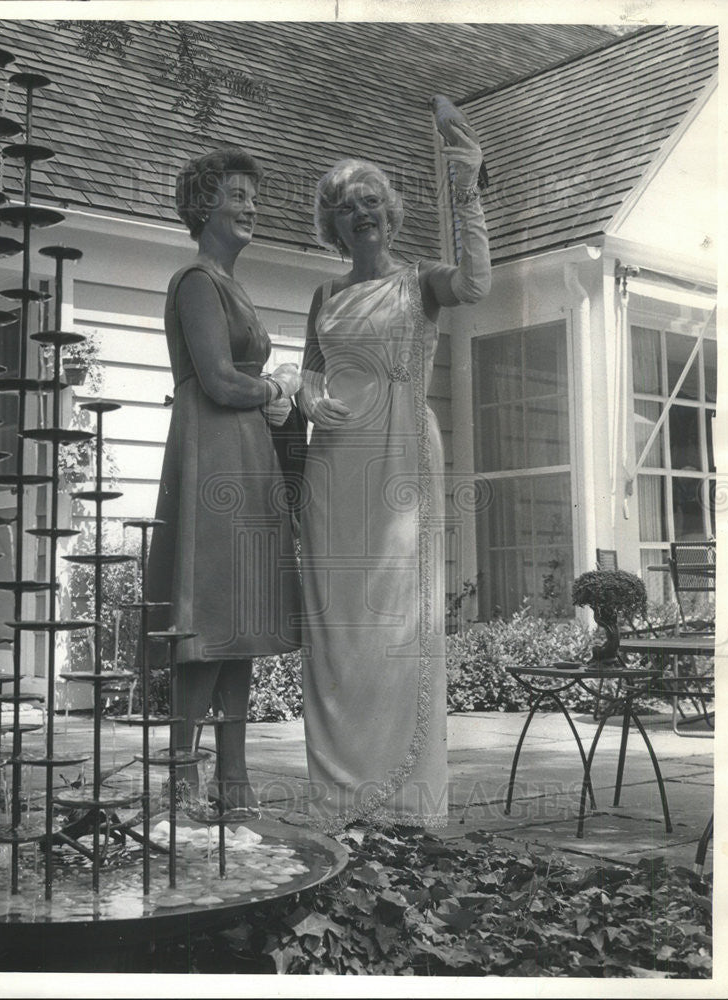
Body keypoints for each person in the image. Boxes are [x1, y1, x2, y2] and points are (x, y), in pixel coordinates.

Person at [299, 128, 491, 830]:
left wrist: (465, 188)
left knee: (395, 627)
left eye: (371, 201)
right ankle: (337, 802)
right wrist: (301, 391)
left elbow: (476, 283)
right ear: (332, 224)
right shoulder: (323, 295)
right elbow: (310, 371)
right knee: (338, 634)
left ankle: (404, 806)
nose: (361, 214)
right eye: (347, 207)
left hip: (399, 461)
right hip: (333, 467)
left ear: (389, 210)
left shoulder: (421, 283)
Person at [145, 146, 302, 811]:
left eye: (252, 196)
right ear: (203, 204)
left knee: (241, 622)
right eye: (235, 195)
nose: (249, 207)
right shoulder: (196, 281)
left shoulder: (232, 283)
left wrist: (273, 398)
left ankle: (234, 779)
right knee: (206, 618)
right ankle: (182, 775)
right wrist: (272, 385)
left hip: (248, 453)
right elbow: (213, 378)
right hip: (211, 451)